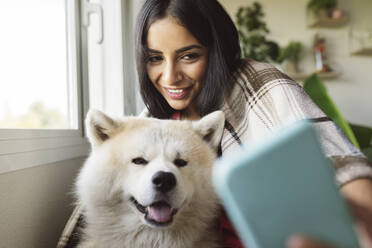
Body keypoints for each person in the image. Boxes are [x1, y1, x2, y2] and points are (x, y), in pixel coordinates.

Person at [57, 0, 372, 247]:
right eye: (155, 58)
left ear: (215, 49)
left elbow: (334, 159)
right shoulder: (154, 122)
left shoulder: (258, 84)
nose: (170, 77)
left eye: (189, 56)